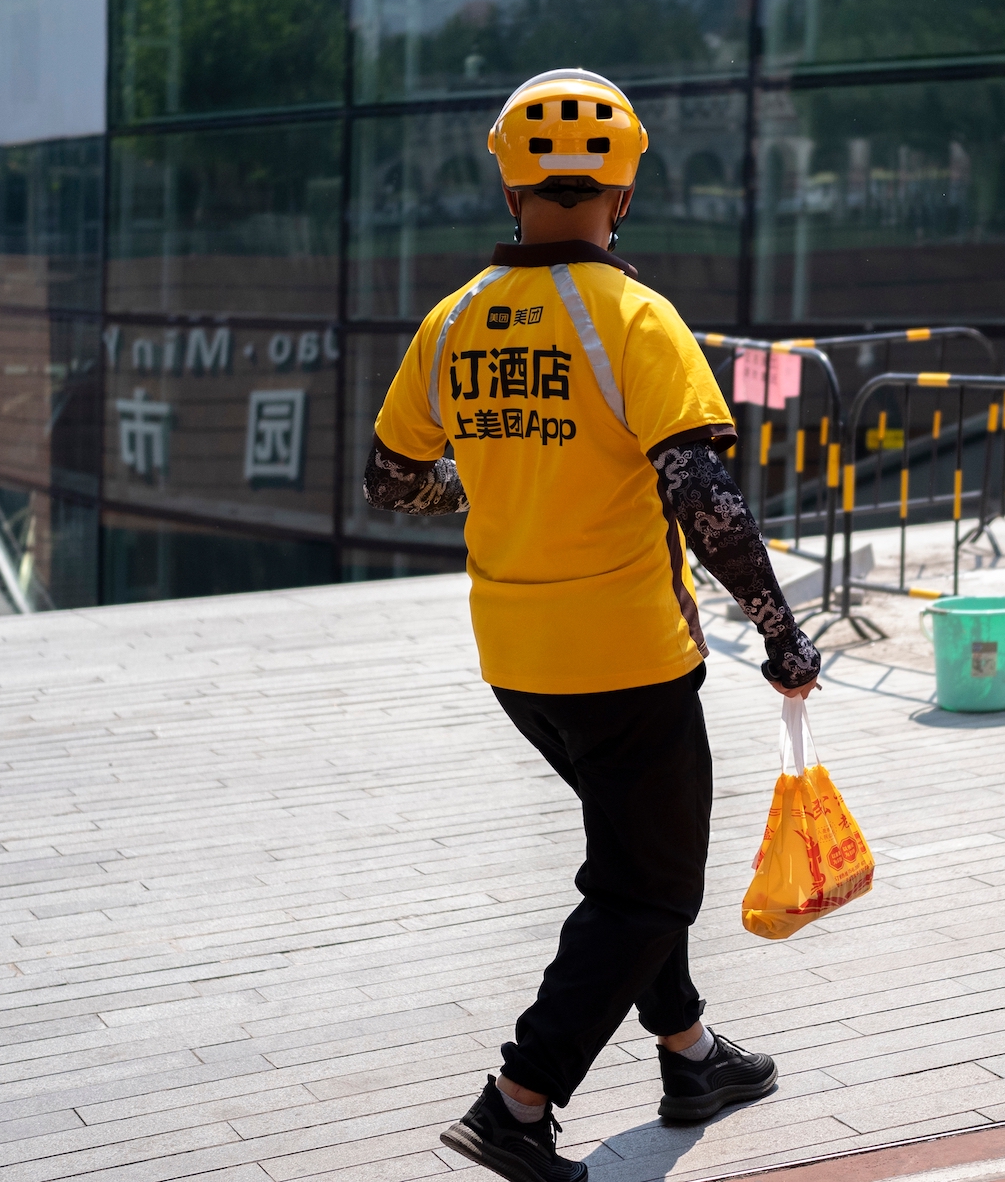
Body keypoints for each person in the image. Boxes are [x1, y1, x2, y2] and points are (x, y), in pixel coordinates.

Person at [363, 69, 822, 1182]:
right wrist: (780, 630)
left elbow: (390, 477)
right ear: (621, 196)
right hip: (628, 661)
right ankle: (519, 1101)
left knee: (632, 854)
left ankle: (692, 1054)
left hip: (518, 662)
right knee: (651, 885)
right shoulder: (634, 316)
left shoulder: (454, 318)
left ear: (512, 187)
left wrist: (475, 496)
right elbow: (704, 500)